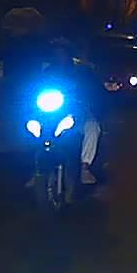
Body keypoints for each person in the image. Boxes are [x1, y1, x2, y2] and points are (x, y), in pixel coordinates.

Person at [40, 40, 103, 184]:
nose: (59, 56)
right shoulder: (47, 72)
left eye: (62, 52)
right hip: (52, 112)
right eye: (56, 53)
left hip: (77, 111)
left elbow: (94, 89)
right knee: (34, 128)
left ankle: (85, 167)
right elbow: (35, 88)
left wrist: (89, 98)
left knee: (92, 126)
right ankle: (37, 169)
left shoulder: (81, 71)